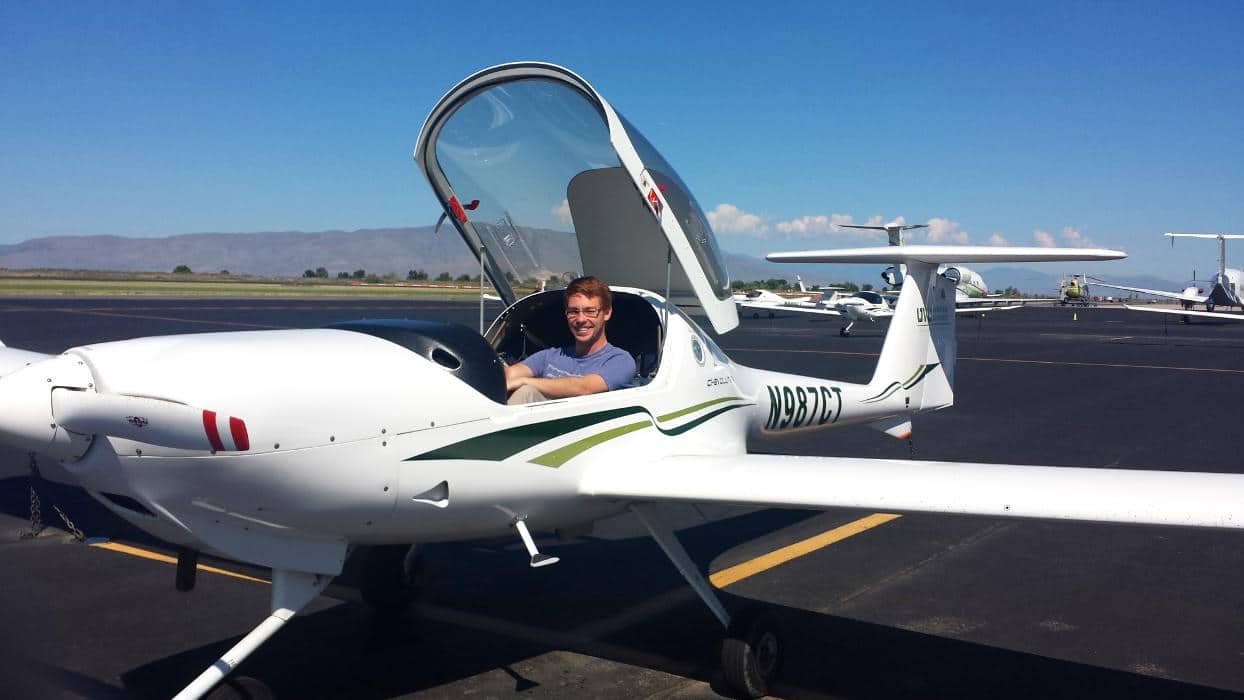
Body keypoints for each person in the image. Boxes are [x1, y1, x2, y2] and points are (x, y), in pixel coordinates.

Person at [505, 276, 636, 404]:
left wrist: (525, 381)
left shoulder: (621, 361)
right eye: (573, 311)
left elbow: (584, 387)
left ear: (607, 313)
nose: (580, 319)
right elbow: (509, 375)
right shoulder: (549, 356)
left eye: (590, 311)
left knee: (526, 391)